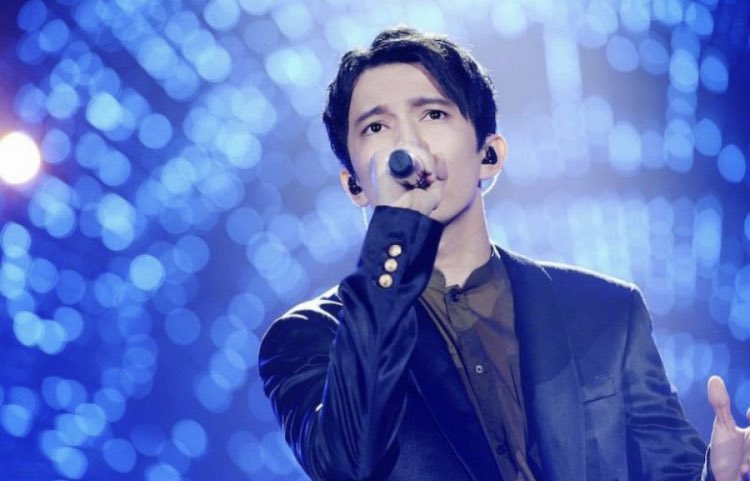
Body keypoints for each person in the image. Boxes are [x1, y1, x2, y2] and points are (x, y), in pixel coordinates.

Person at [258, 27, 750, 481]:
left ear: (489, 154)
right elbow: (346, 465)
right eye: (375, 128)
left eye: (433, 114)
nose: (408, 143)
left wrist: (720, 477)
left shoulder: (606, 310)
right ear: (353, 185)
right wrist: (396, 234)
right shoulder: (309, 337)